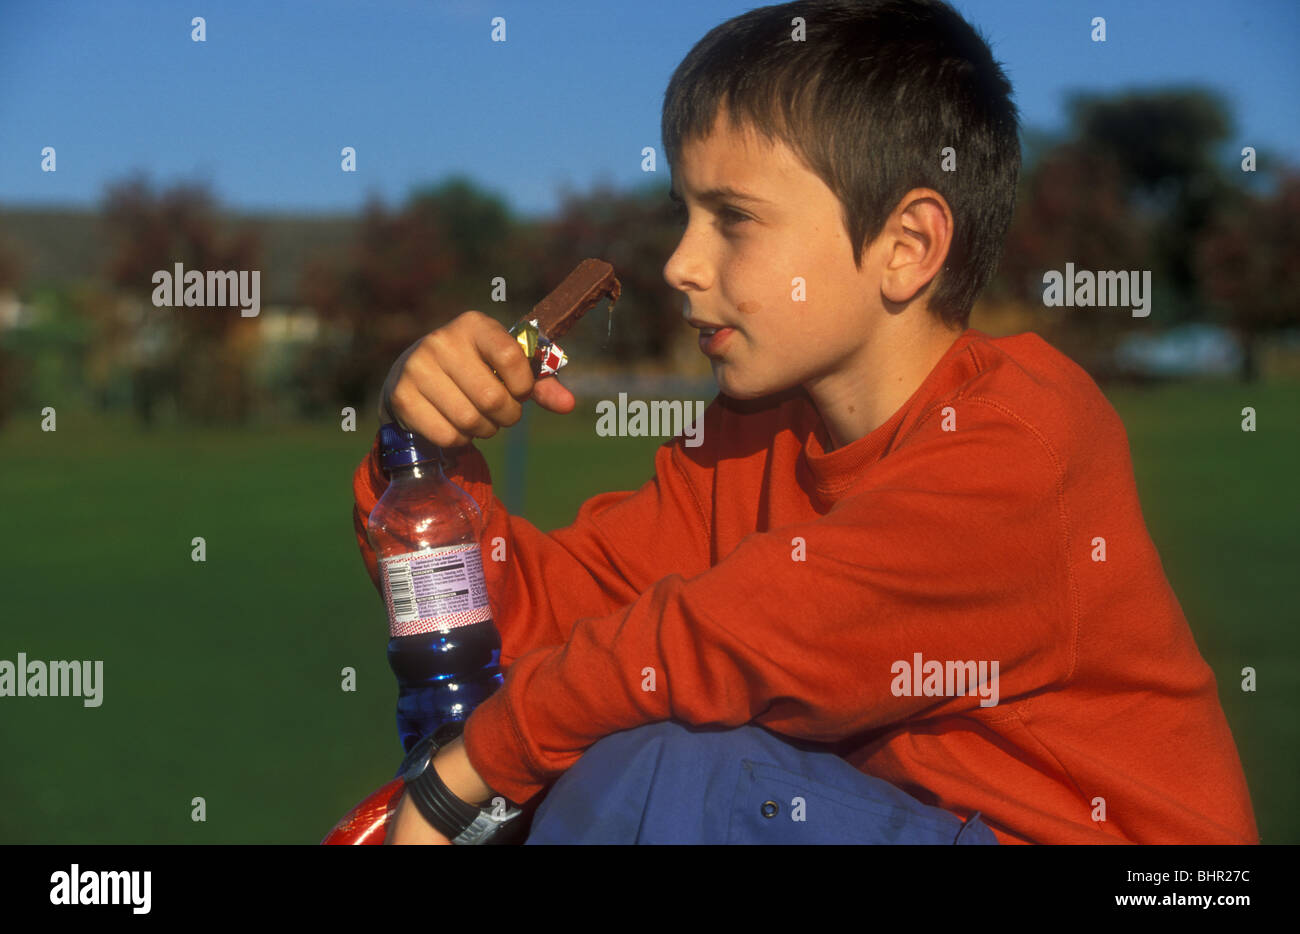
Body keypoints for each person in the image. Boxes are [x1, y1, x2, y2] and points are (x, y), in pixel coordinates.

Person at [353, 0, 1258, 844]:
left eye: (733, 219)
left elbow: (738, 642)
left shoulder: (1021, 441)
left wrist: (464, 776)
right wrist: (419, 458)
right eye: (685, 214)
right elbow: (536, 626)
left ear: (906, 249)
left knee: (667, 776)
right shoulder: (753, 437)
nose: (678, 264)